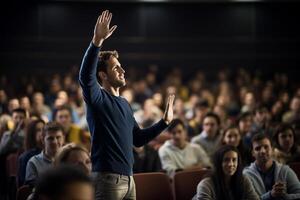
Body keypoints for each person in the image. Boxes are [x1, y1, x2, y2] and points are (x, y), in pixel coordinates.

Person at [79, 10, 174, 200]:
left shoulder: (124, 103)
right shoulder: (98, 98)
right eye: (115, 67)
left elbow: (137, 139)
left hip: (130, 179)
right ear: (103, 75)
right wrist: (96, 42)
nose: (122, 70)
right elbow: (85, 77)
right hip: (107, 178)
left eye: (121, 66)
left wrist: (164, 122)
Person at [243, 133, 300, 200]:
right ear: (253, 153)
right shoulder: (246, 175)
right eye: (258, 148)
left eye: (266, 147)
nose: (263, 151)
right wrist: (271, 195)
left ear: (272, 150)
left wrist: (284, 196)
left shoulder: (285, 170)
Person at [193, 145, 259, 200]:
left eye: (234, 160)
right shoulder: (206, 184)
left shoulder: (244, 179)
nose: (231, 164)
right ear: (219, 163)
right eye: (226, 160)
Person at [18, 119, 45, 186]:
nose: (42, 133)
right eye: (38, 130)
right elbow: (24, 185)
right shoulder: (26, 156)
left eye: (43, 130)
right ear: (32, 134)